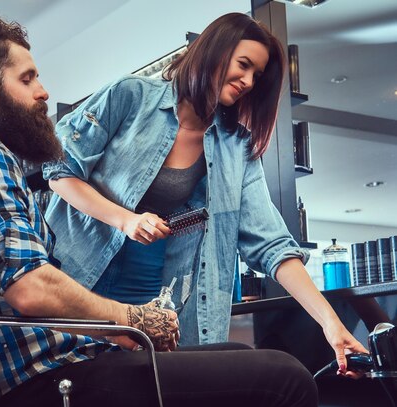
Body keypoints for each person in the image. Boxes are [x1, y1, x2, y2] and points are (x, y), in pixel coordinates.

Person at [0, 14, 319, 407]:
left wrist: (121, 331)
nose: (43, 93)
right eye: (27, 80)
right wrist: (134, 320)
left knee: (236, 355)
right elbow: (31, 290)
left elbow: (269, 242)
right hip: (33, 379)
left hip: (58, 359)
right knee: (285, 378)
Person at [42, 12, 367, 369]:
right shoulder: (130, 97)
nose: (247, 81)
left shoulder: (236, 148)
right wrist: (125, 220)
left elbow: (271, 244)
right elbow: (59, 170)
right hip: (79, 282)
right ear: (214, 51)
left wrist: (329, 323)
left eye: (256, 76)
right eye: (243, 65)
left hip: (154, 305)